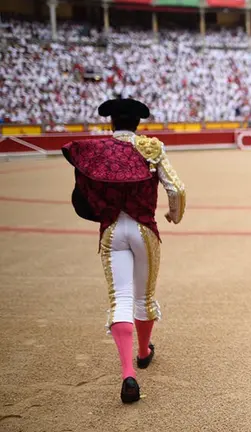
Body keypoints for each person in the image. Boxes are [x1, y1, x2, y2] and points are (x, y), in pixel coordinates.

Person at [61, 98, 186, 404]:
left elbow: (81, 190)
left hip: (112, 230)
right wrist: (174, 215)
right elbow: (177, 190)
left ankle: (128, 373)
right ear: (138, 125)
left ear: (111, 124)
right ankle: (144, 352)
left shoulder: (97, 150)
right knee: (143, 297)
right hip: (143, 230)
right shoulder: (151, 148)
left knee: (121, 298)